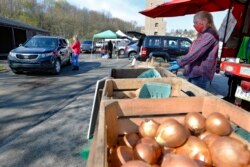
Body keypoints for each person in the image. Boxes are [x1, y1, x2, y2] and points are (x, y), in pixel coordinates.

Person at [167, 11, 219, 90]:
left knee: (196, 98)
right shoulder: (203, 34)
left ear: (204, 21)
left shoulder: (209, 34)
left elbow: (196, 52)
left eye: (195, 22)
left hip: (200, 74)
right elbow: (193, 52)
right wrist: (180, 60)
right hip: (194, 72)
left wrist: (180, 62)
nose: (194, 25)